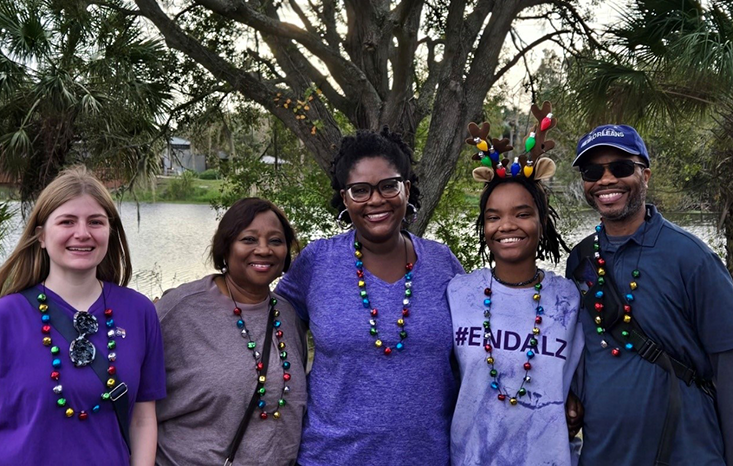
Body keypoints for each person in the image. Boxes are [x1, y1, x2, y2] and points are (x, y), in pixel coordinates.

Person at [274, 127, 464, 465]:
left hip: (427, 457)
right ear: (345, 198)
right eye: (360, 190)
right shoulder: (317, 262)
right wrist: (205, 298)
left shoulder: (442, 263)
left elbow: (477, 349)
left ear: (406, 189)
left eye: (389, 185)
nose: (376, 200)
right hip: (331, 456)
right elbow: (265, 320)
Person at [565, 124, 733, 465]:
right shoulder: (580, 260)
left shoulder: (692, 257)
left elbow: (727, 365)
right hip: (603, 453)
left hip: (687, 452)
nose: (606, 180)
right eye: (593, 171)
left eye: (622, 168)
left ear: (646, 176)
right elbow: (582, 349)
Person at [0, 166, 165, 466]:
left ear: (110, 232)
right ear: (41, 236)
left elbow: (142, 418)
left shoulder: (140, 312)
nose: (82, 233)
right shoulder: (7, 315)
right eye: (67, 221)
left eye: (95, 222)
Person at [448, 109, 584, 465]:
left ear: (542, 222)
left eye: (522, 213)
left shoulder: (569, 298)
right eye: (493, 216)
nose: (506, 225)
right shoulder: (458, 294)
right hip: (471, 457)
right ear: (484, 227)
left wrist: (576, 402)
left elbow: (590, 374)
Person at [155, 197, 307, 465]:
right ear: (225, 247)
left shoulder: (289, 314)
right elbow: (132, 397)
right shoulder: (179, 309)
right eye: (249, 239)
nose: (263, 249)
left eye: (275, 240)